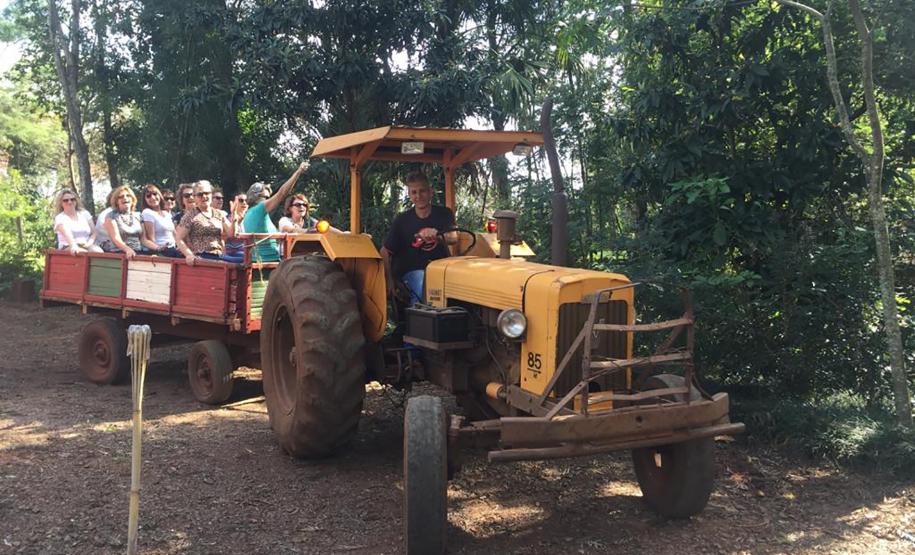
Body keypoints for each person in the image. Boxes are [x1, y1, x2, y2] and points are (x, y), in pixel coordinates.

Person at [381, 171, 457, 305]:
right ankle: (420, 321)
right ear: (409, 195)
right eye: (414, 192)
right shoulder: (402, 220)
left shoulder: (444, 214)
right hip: (412, 272)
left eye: (422, 191)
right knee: (424, 283)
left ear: (430, 191)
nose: (418, 196)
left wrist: (437, 236)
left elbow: (453, 237)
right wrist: (389, 281)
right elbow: (385, 251)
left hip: (442, 270)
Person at [242, 161, 309, 262]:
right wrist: (298, 172)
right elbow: (282, 193)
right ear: (257, 196)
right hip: (268, 261)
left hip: (261, 260)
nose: (268, 200)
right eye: (266, 197)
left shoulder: (250, 212)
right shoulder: (260, 208)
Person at [175, 180, 239, 265]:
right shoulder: (190, 215)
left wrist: (234, 215)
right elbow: (178, 238)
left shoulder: (218, 213)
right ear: (194, 197)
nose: (204, 196)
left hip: (218, 255)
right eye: (200, 194)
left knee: (243, 260)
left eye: (207, 193)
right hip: (202, 256)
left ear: (211, 195)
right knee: (238, 262)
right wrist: (189, 255)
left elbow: (231, 234)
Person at [52, 189, 103, 255]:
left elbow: (94, 232)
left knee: (99, 252)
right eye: (66, 200)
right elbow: (67, 234)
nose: (69, 202)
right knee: (83, 253)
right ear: (61, 203)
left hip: (86, 244)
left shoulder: (84, 213)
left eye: (72, 199)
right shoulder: (60, 218)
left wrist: (89, 243)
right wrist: (73, 245)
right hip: (68, 246)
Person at [100, 186, 143, 258]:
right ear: (116, 201)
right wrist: (127, 249)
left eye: (128, 195)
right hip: (120, 253)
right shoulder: (111, 216)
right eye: (121, 197)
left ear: (132, 199)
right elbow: (116, 238)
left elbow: (143, 239)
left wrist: (157, 248)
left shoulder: (138, 216)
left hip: (138, 252)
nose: (125, 198)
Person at [139, 184, 179, 256]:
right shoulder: (147, 212)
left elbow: (175, 234)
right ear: (145, 200)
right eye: (148, 196)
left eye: (155, 194)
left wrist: (180, 246)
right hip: (162, 251)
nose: (153, 198)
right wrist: (158, 249)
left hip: (173, 248)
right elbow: (151, 238)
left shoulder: (166, 213)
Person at [224, 192, 248, 259]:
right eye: (241, 200)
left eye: (247, 200)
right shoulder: (227, 219)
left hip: (247, 252)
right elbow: (231, 235)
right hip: (232, 254)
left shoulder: (249, 218)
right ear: (232, 203)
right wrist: (237, 221)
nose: (244, 203)